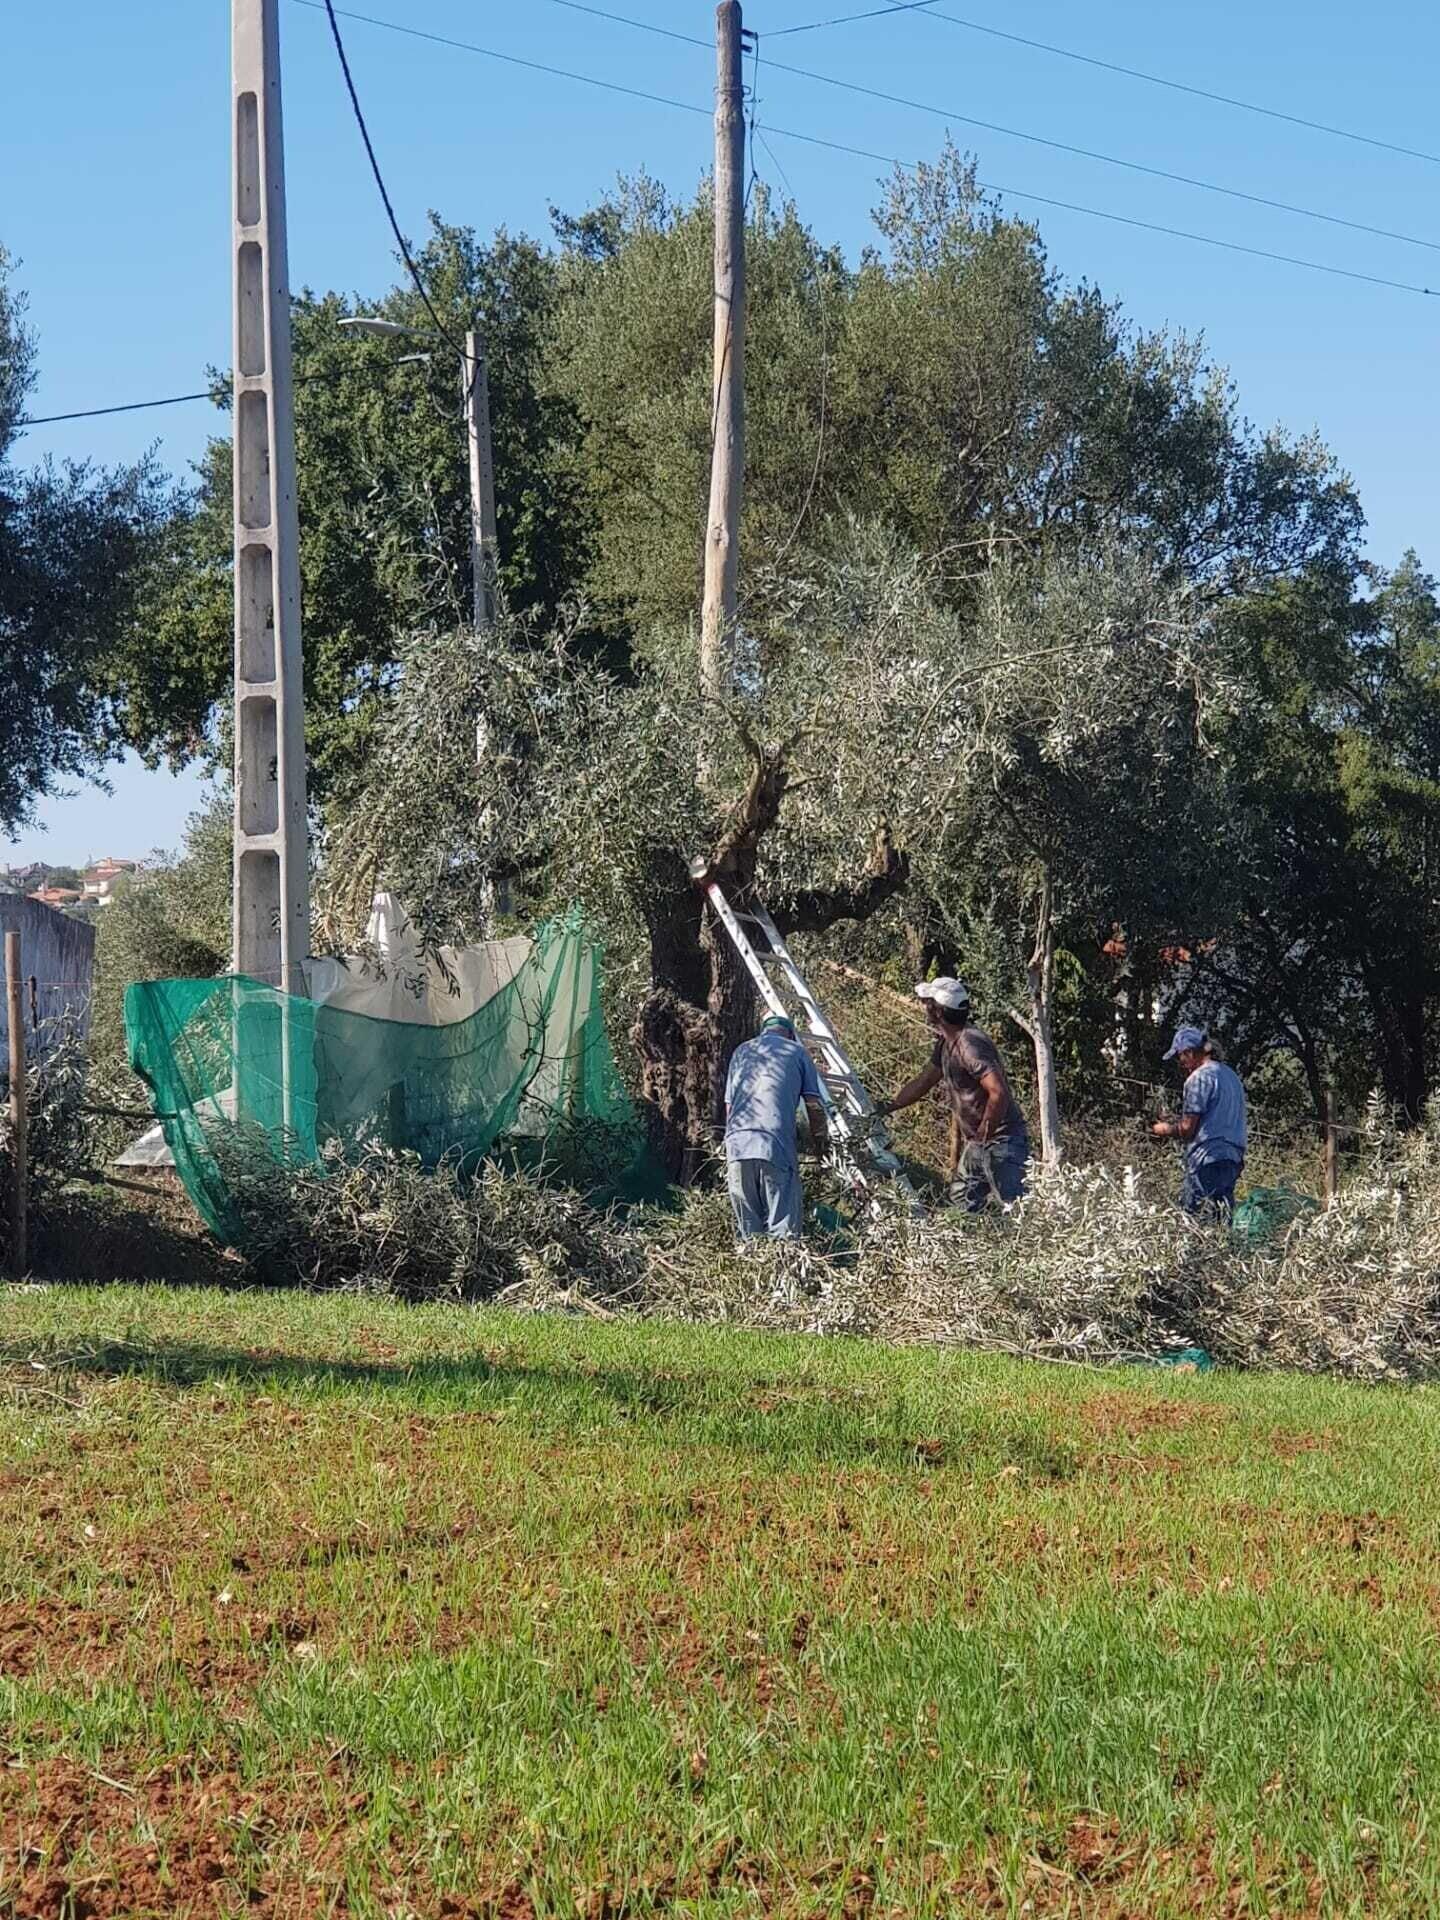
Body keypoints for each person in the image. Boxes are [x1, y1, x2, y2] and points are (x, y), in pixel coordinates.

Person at [875, 978, 1030, 1210]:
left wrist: (982, 1138)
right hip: (981, 1142)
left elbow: (998, 1092)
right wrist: (888, 1106)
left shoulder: (969, 1046)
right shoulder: (947, 1044)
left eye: (927, 1002)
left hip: (1002, 1142)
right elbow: (924, 1082)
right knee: (962, 1201)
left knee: (1015, 1210)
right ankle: (980, 1243)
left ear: (937, 1010)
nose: (924, 1007)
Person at [723, 1014, 830, 1240]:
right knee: (784, 1234)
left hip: (736, 1146)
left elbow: (729, 1109)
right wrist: (821, 1145)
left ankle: (752, 1271)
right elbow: (814, 1105)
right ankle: (783, 1271)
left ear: (763, 1031)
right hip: (774, 1144)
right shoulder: (797, 1052)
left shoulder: (741, 1051)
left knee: (749, 1234)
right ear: (790, 1035)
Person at [1151, 1024, 1247, 1217]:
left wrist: (1163, 1129)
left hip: (1206, 1158)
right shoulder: (1231, 1076)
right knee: (1221, 1219)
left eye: (1180, 1056)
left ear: (1189, 1053)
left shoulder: (1199, 1078)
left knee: (1195, 1221)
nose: (1181, 1063)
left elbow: (1187, 1129)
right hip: (1232, 1158)